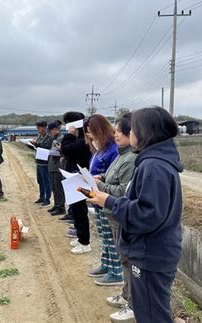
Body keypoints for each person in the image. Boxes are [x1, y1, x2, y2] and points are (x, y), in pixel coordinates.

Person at [86, 107, 183, 323]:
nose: (128, 134)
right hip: (153, 250)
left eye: (132, 130)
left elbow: (147, 214)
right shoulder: (153, 161)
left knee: (150, 314)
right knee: (150, 308)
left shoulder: (153, 166)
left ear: (145, 132)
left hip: (150, 253)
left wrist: (108, 201)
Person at [93, 113, 137, 322]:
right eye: (116, 130)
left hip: (120, 215)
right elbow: (114, 180)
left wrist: (100, 186)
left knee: (128, 261)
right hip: (113, 214)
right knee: (123, 258)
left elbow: (122, 191)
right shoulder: (121, 155)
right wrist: (102, 178)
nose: (116, 134)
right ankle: (126, 294)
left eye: (120, 131)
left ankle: (132, 303)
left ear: (132, 134)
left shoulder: (130, 159)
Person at [84, 114, 120, 283]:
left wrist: (98, 180)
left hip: (106, 198)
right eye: (88, 134)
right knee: (104, 235)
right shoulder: (100, 149)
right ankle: (106, 263)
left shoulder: (113, 150)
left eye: (92, 132)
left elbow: (112, 177)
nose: (90, 136)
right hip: (96, 196)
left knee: (110, 237)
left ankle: (116, 271)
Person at [60, 111, 92, 255]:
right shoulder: (78, 139)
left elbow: (65, 150)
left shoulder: (82, 140)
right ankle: (80, 238)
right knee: (76, 210)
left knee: (80, 211)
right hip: (74, 177)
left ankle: (85, 242)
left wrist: (70, 135)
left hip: (80, 178)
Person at [31, 121, 53, 206]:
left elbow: (47, 146)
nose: (38, 130)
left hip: (45, 161)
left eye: (39, 128)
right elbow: (39, 145)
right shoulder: (39, 135)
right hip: (39, 160)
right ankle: (41, 197)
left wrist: (37, 144)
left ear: (44, 127)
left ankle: (47, 199)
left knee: (46, 181)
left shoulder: (49, 136)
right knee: (40, 181)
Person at [46, 121, 65, 215]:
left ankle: (61, 207)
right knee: (54, 187)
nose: (50, 133)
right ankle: (56, 204)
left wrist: (58, 149)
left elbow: (62, 152)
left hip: (58, 166)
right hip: (52, 165)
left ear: (55, 129)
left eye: (51, 131)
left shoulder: (61, 138)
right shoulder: (54, 138)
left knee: (58, 187)